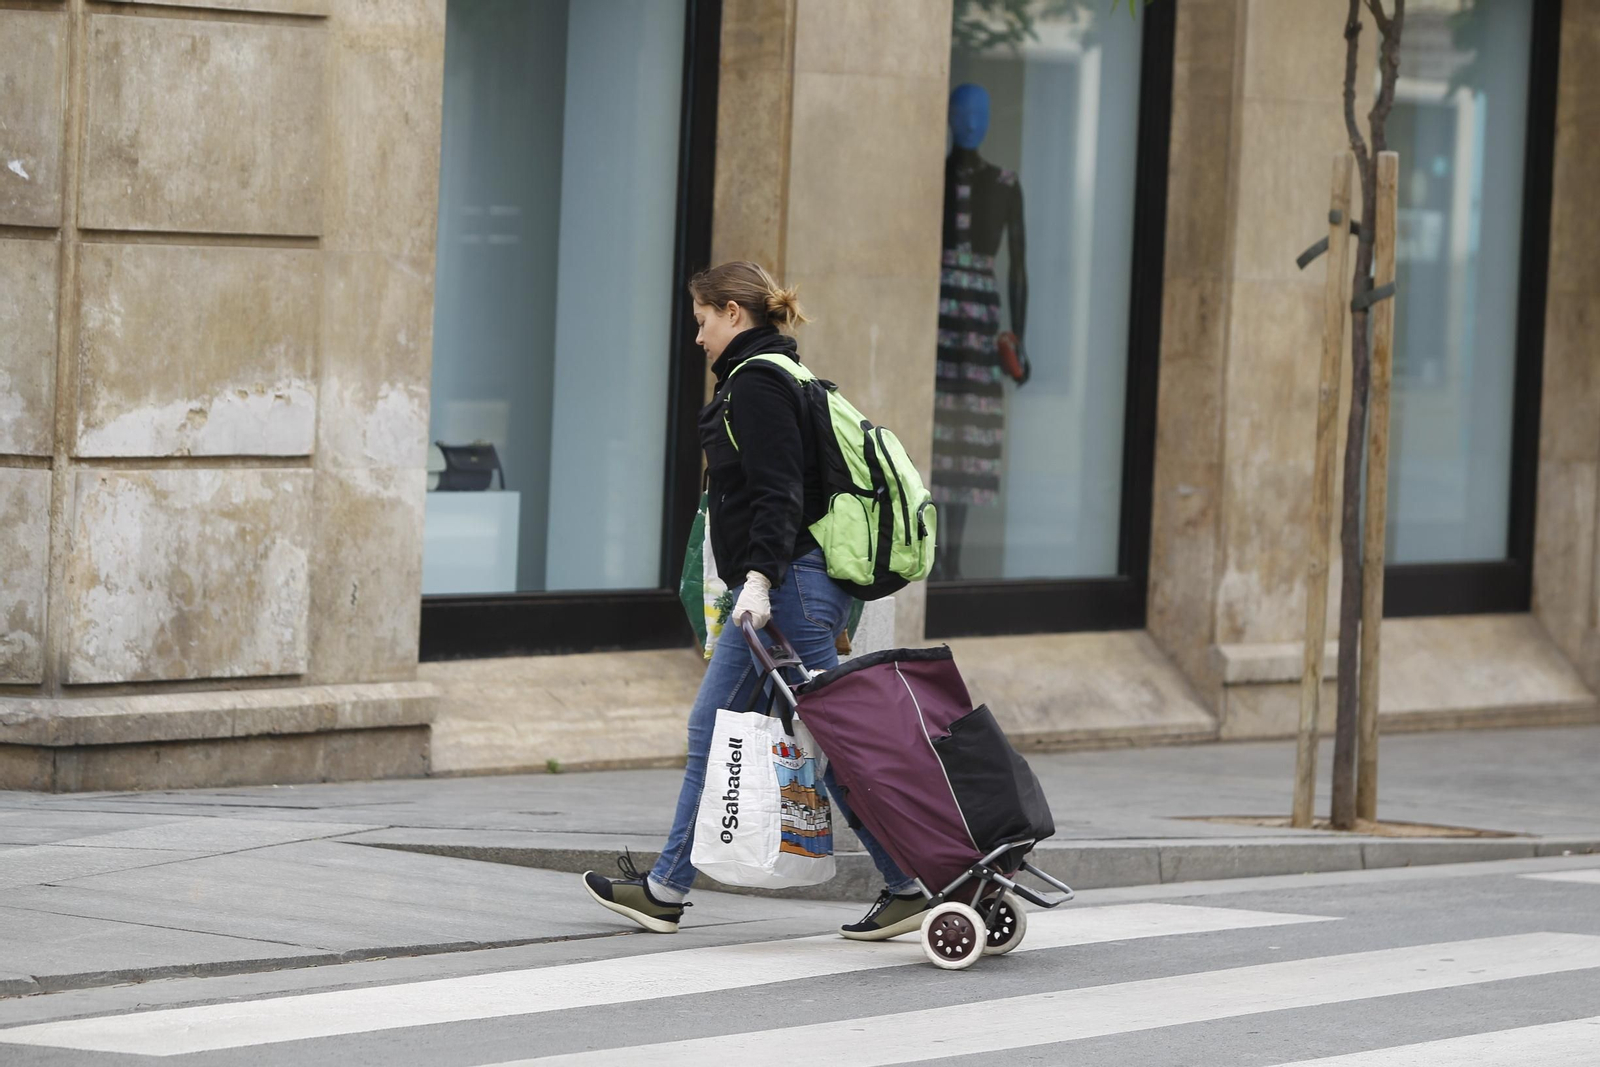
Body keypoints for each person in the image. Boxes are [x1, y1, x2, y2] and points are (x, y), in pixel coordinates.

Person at [582, 261, 929, 940]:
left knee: (831, 739)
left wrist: (763, 580)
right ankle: (665, 887)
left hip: (787, 585)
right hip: (791, 584)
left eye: (703, 320)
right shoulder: (774, 376)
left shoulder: (760, 384)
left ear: (732, 312)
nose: (698, 337)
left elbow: (779, 495)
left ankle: (908, 882)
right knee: (722, 729)